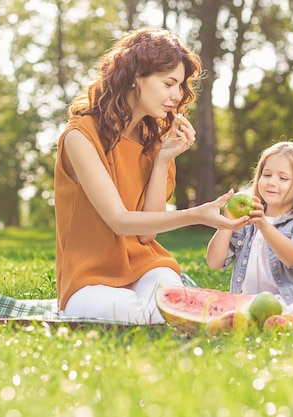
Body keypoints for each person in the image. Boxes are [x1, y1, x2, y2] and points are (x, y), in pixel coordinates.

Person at [54, 28, 250, 324]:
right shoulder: (81, 137)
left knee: (166, 303)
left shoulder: (156, 140)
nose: (177, 95)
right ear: (136, 76)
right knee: (129, 311)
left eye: (180, 85)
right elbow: (119, 221)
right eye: (168, 83)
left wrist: (162, 161)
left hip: (147, 266)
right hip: (88, 277)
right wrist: (196, 214)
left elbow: (146, 235)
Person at [205, 140, 293, 306]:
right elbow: (214, 262)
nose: (271, 182)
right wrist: (227, 222)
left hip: (288, 305)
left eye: (283, 178)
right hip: (247, 303)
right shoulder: (247, 223)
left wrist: (264, 226)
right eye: (266, 175)